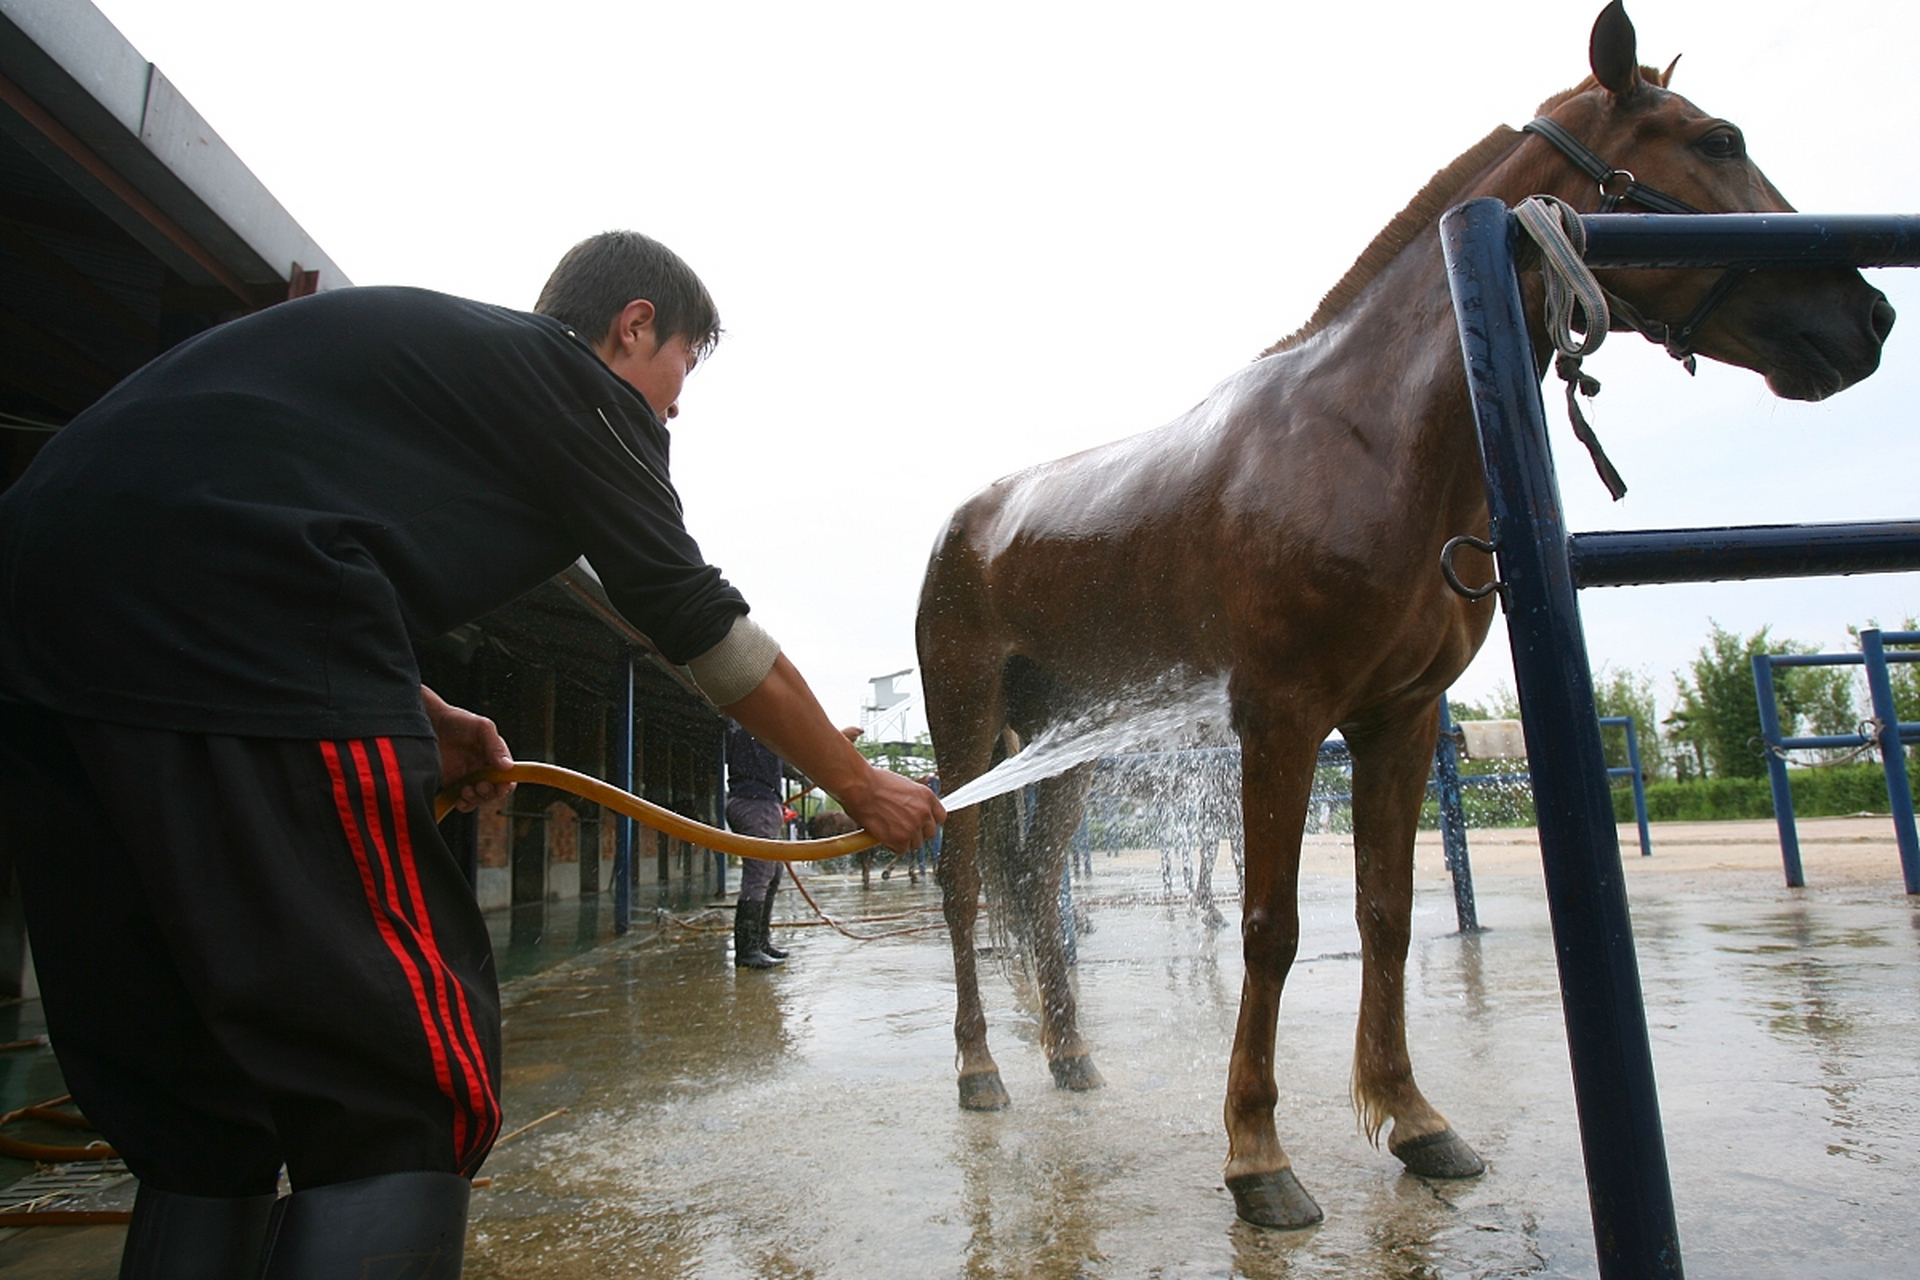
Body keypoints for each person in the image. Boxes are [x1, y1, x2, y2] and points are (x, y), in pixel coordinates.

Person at [0, 231, 942, 1278]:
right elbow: (695, 619)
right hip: (238, 614)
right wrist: (860, 783)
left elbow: (202, 513)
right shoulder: (573, 386)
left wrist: (420, 707)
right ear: (632, 326)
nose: (675, 406)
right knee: (401, 1086)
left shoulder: (438, 374)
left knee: (193, 1101)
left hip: (37, 623)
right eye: (681, 368)